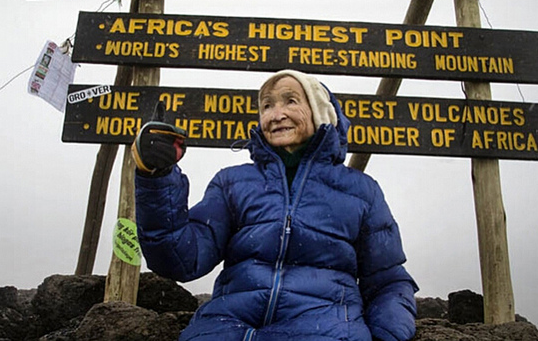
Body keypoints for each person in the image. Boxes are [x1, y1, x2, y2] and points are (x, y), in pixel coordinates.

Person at [132, 70, 418, 341]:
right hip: (225, 327)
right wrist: (156, 177)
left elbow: (388, 280)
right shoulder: (232, 183)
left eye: (290, 101)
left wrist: (389, 332)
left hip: (325, 330)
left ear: (320, 113)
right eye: (267, 106)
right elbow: (181, 259)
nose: (276, 114)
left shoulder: (362, 191)